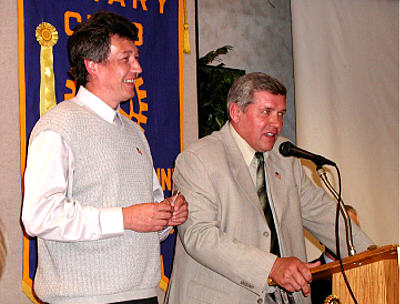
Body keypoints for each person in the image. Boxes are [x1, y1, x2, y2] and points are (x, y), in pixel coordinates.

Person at [21, 11, 188, 304]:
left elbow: (148, 226)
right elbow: (38, 217)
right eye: (126, 58)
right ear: (93, 65)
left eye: (136, 57)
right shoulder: (57, 127)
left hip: (145, 294)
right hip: (83, 299)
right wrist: (125, 218)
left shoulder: (135, 132)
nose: (137, 68)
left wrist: (165, 218)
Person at [164, 72, 374, 304]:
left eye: (280, 114)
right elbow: (200, 237)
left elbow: (324, 214)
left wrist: (373, 256)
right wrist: (271, 267)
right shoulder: (198, 159)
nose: (276, 123)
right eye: (266, 112)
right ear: (236, 112)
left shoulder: (284, 155)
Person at [310, 204, 360, 303]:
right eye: (340, 230)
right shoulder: (309, 277)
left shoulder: (367, 273)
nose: (347, 237)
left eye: (352, 231)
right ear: (322, 237)